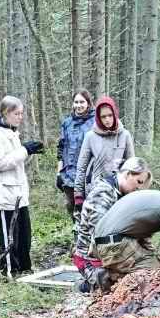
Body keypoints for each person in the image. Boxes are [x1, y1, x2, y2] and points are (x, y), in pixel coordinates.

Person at [85, 190, 160, 293]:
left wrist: (151, 254)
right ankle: (111, 278)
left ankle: (110, 275)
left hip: (99, 243)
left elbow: (142, 237)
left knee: (146, 262)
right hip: (115, 244)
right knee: (157, 273)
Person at [0, 94, 44, 275]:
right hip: (4, 195)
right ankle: (9, 271)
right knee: (9, 236)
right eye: (17, 114)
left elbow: (15, 162)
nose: (20, 117)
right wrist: (25, 150)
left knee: (24, 235)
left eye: (21, 114)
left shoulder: (12, 133)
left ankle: (25, 269)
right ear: (5, 113)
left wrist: (27, 151)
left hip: (18, 194)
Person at [72, 156, 153, 279]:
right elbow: (99, 234)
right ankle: (84, 285)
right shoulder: (103, 192)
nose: (139, 188)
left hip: (112, 250)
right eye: (139, 182)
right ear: (128, 174)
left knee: (147, 269)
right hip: (90, 257)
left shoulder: (125, 194)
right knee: (124, 282)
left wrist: (151, 254)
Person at [73, 95, 135, 209]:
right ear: (98, 118)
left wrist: (133, 191)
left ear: (115, 114)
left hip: (119, 191)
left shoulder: (125, 135)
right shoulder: (90, 136)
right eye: (103, 116)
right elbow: (81, 167)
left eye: (110, 115)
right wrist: (78, 195)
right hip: (96, 190)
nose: (107, 119)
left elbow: (132, 166)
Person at [56, 90, 95, 220]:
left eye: (82, 102)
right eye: (76, 102)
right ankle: (77, 235)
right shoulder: (67, 123)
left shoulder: (95, 122)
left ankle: (90, 236)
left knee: (88, 208)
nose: (79, 105)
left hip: (88, 173)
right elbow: (61, 148)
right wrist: (58, 172)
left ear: (88, 103)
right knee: (71, 207)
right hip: (68, 174)